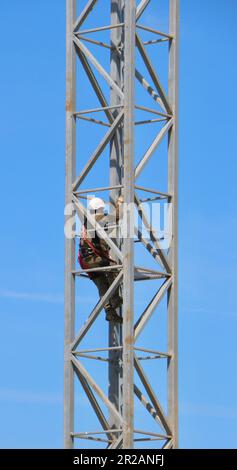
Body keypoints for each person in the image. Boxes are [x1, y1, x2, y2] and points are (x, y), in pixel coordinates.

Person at [78, 197, 123, 323]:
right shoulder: (97, 219)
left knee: (102, 284)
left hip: (85, 260)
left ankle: (109, 312)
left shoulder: (88, 220)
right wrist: (120, 202)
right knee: (113, 270)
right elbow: (117, 217)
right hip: (94, 259)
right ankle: (114, 298)